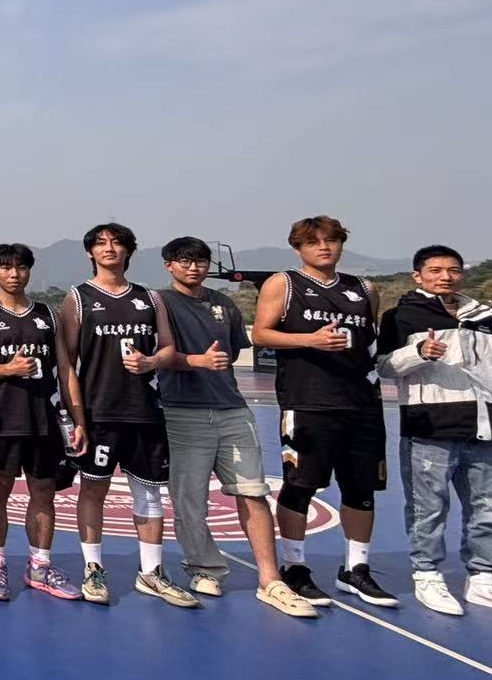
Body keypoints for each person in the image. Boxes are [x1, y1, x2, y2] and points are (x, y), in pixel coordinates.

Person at [155, 238, 317, 617]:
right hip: (182, 411)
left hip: (232, 410)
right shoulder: (159, 302)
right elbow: (159, 354)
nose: (193, 267)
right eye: (184, 261)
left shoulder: (223, 303)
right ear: (169, 265)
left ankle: (270, 578)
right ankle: (205, 568)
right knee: (189, 499)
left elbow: (234, 348)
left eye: (200, 261)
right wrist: (194, 361)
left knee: (253, 492)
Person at [251, 215, 398, 609]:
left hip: (362, 404)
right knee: (301, 485)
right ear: (298, 247)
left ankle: (355, 569)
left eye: (331, 240)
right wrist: (310, 340)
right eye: (314, 242)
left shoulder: (364, 288)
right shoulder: (284, 284)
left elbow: (369, 343)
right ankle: (295, 567)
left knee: (361, 487)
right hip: (308, 402)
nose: (324, 247)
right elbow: (260, 333)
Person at [58, 223, 197, 608]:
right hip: (99, 412)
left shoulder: (149, 298)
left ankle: (151, 572)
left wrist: (151, 361)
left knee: (149, 492)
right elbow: (67, 364)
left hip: (145, 411)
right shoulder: (78, 298)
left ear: (128, 251)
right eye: (101, 243)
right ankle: (93, 568)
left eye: (117, 242)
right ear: (90, 252)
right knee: (93, 490)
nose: (109, 248)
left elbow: (168, 349)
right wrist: (77, 418)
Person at [377, 244, 492, 615]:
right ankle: (427, 574)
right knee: (428, 508)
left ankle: (483, 576)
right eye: (436, 270)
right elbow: (384, 367)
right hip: (429, 427)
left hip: (483, 426)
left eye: (453, 270)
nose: (446, 276)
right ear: (418, 275)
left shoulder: (484, 315)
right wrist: (419, 353)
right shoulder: (400, 316)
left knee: (486, 507)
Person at [0, 243, 82, 602]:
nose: (14, 274)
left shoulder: (48, 315)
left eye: (20, 267)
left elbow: (65, 369)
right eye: (5, 267)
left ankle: (39, 567)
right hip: (3, 420)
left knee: (44, 493)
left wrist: (78, 419)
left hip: (45, 421)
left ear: (29, 271)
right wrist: (8, 369)